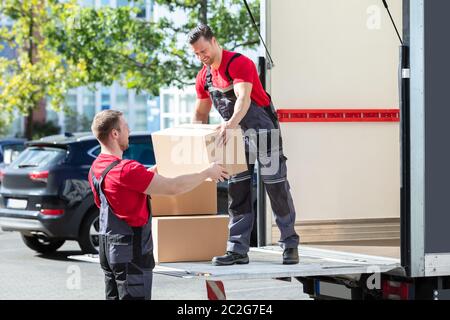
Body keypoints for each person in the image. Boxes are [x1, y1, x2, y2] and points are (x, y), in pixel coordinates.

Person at [189, 24, 300, 266]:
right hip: (233, 137)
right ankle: (237, 249)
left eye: (203, 50)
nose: (201, 57)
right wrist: (197, 141)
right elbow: (200, 113)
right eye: (196, 54)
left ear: (214, 41)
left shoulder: (239, 63)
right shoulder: (204, 76)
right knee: (237, 191)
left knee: (276, 187)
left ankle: (289, 244)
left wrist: (229, 124)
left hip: (262, 131)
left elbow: (243, 98)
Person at [88, 109, 228, 299]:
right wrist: (206, 173)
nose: (129, 130)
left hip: (108, 248)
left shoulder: (96, 167)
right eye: (126, 127)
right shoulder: (127, 170)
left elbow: (118, 194)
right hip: (131, 253)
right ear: (115, 134)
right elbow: (173, 188)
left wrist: (155, 171)